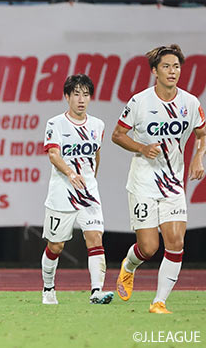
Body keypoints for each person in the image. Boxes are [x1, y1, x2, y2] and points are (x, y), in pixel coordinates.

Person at [113, 44, 205, 314]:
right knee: (149, 247)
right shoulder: (140, 102)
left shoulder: (190, 102)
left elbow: (202, 134)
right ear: (155, 71)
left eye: (176, 66)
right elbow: (117, 135)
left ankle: (159, 302)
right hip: (143, 183)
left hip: (173, 185)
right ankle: (129, 266)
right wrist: (142, 148)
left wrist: (198, 157)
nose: (172, 71)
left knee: (176, 242)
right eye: (166, 66)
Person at [40, 74, 113, 305]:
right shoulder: (55, 124)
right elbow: (53, 155)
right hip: (62, 192)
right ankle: (48, 288)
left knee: (95, 238)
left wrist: (90, 181)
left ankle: (96, 291)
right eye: (76, 94)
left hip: (88, 193)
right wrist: (71, 174)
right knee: (56, 245)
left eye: (86, 95)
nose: (81, 99)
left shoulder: (98, 125)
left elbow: (96, 155)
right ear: (67, 97)